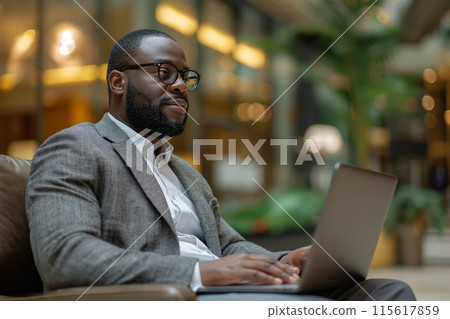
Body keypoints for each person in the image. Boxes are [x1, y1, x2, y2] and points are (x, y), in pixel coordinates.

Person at [26, 29, 415, 301]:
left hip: (225, 294)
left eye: (185, 77)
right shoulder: (77, 147)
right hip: (168, 299)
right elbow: (65, 256)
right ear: (117, 82)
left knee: (387, 294)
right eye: (164, 73)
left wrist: (282, 260)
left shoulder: (185, 173)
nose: (179, 85)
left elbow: (227, 245)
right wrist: (198, 273)